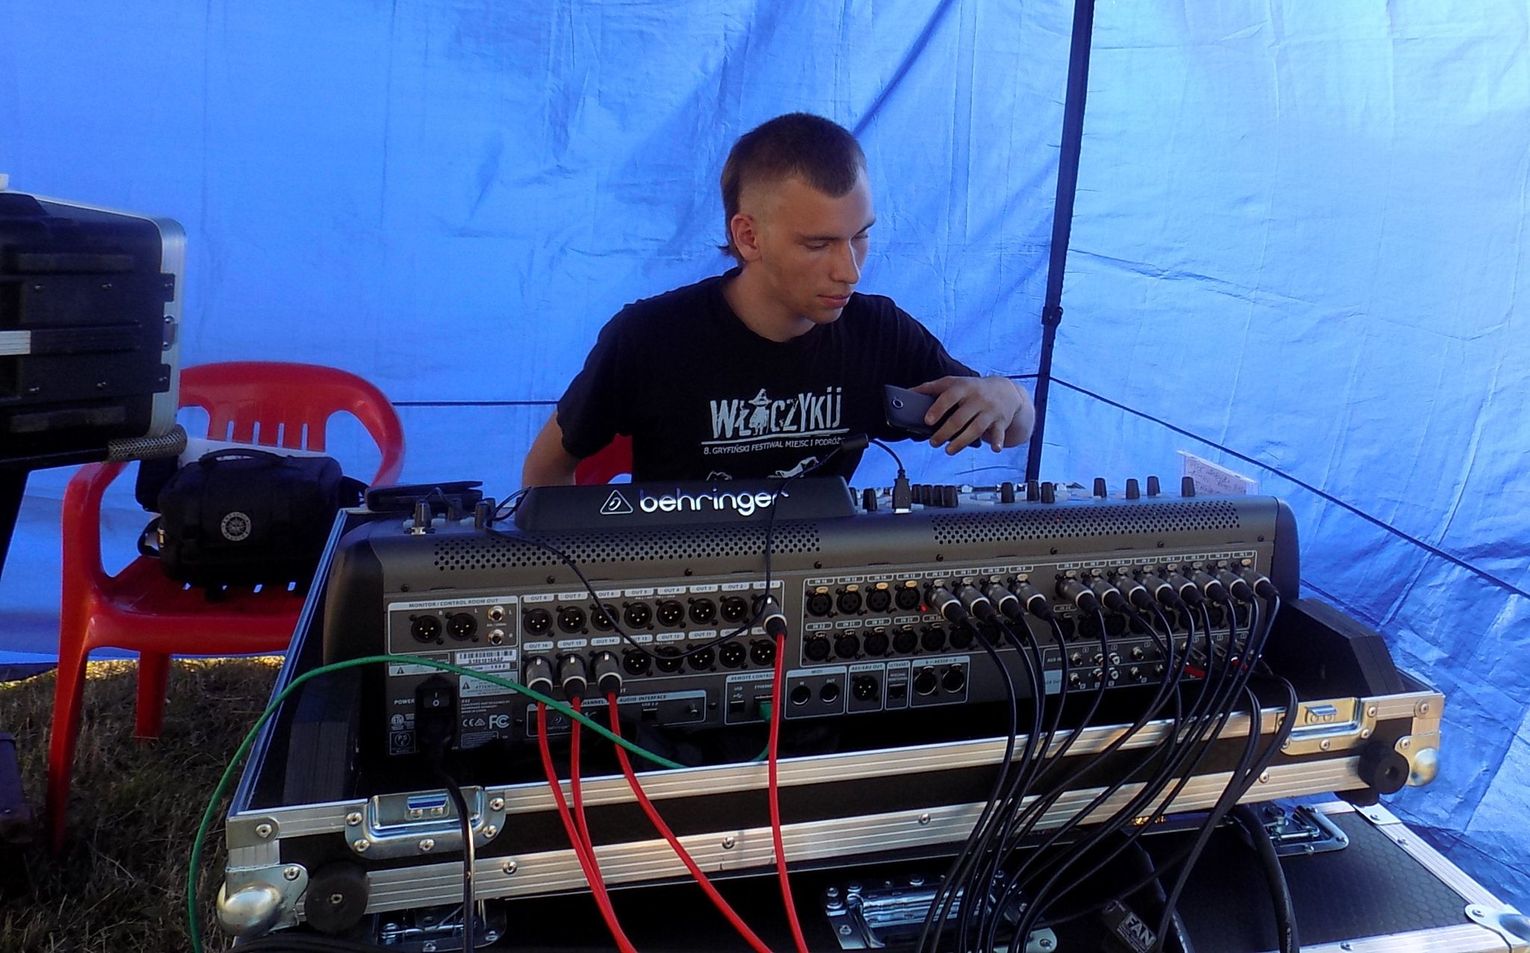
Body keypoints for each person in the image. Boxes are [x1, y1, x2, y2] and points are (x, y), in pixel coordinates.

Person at [521, 113, 1035, 486]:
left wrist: (1007, 395)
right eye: (818, 244)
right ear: (748, 237)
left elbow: (1013, 431)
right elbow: (546, 471)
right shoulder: (649, 337)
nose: (849, 270)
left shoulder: (879, 331)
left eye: (860, 236)